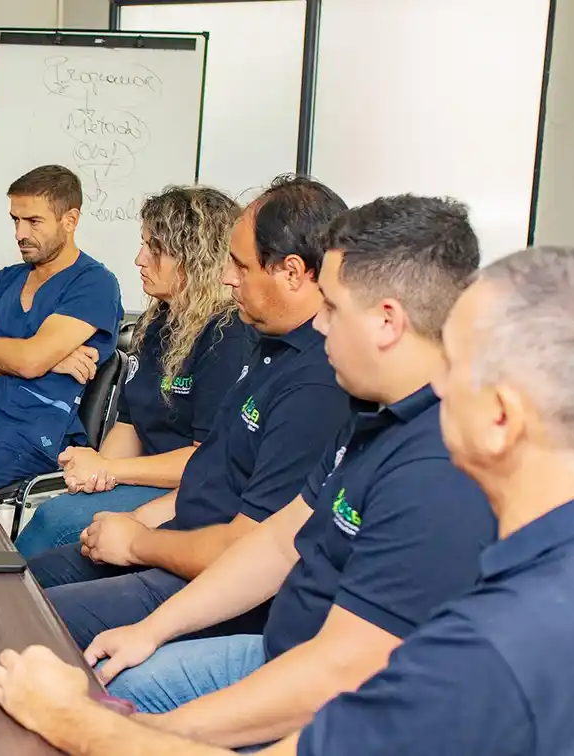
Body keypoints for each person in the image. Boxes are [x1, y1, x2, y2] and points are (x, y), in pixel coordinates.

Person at [0, 246, 574, 756]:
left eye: (455, 363)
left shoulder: (494, 647)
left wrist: (76, 722)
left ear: (500, 418)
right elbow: (278, 543)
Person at [79, 195, 494, 749]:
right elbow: (280, 542)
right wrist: (150, 631)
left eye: (334, 309)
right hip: (282, 649)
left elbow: (341, 676)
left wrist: (135, 736)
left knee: (97, 710)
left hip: (334, 699)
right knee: (111, 672)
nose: (318, 324)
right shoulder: (373, 411)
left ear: (387, 322)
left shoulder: (440, 468)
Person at [28, 175, 352, 650]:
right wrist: (138, 521)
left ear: (293, 272)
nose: (226, 277)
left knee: (27, 619)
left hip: (212, 581)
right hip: (181, 541)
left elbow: (248, 549)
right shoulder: (269, 349)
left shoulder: (314, 383)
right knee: (21, 581)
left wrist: (138, 542)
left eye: (241, 265)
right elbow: (209, 476)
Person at [15, 185, 253, 555]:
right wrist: (97, 473)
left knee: (59, 524)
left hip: (190, 493)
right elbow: (131, 424)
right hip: (147, 480)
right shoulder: (157, 322)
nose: (139, 259)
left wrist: (110, 469)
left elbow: (206, 460)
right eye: (143, 245)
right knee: (59, 516)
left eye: (155, 249)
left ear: (196, 258)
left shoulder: (227, 336)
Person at [0, 165, 124, 496]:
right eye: (15, 220)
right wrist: (49, 359)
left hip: (33, 432)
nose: (20, 233)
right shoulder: (5, 279)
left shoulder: (94, 284)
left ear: (70, 220)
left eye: (33, 221)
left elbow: (28, 362)